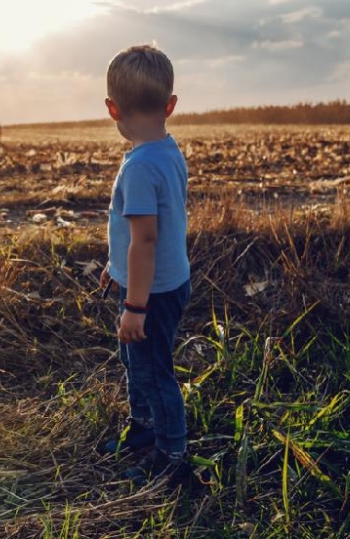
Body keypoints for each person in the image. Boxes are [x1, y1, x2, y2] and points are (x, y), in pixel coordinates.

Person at [98, 44, 192, 487]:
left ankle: (171, 454)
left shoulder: (138, 167)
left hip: (150, 292)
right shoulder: (167, 151)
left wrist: (135, 306)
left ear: (112, 108)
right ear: (170, 105)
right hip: (162, 282)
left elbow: (146, 240)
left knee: (153, 369)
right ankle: (144, 430)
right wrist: (116, 266)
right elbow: (140, 241)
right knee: (137, 361)